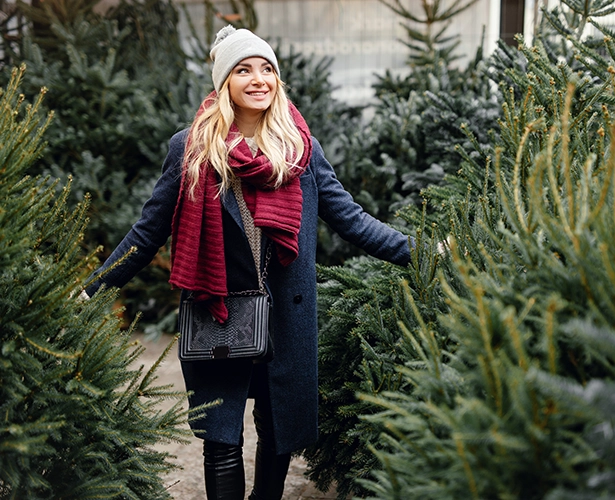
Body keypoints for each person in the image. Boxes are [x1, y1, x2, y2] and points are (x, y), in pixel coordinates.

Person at [84, 25, 412, 500]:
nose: (259, 79)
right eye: (244, 70)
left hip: (285, 314)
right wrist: (92, 288)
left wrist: (419, 252)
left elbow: (353, 220)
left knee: (277, 431)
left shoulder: (301, 150)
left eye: (267, 69)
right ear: (225, 84)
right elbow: (148, 231)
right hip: (217, 307)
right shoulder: (191, 148)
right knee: (222, 437)